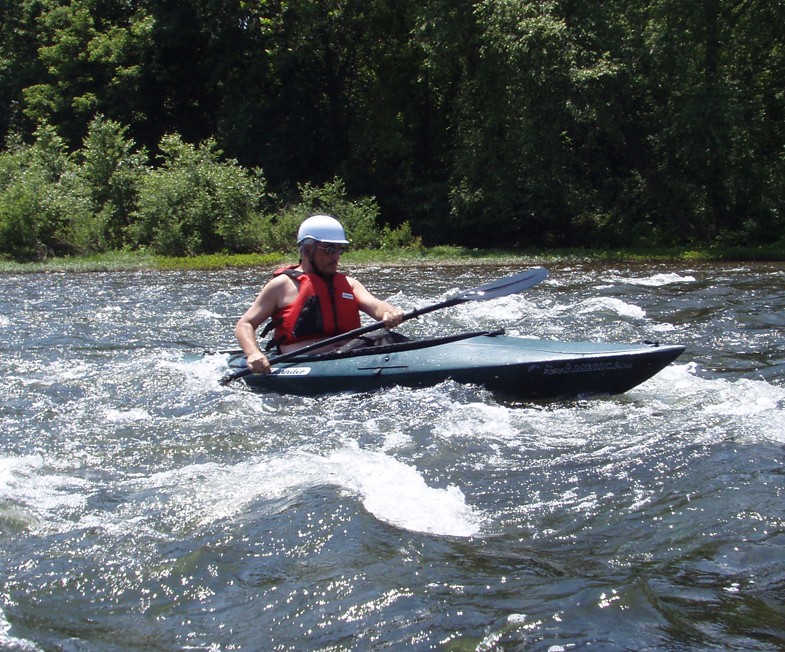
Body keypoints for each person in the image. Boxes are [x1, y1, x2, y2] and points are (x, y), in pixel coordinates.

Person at [234, 215, 405, 374]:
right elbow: (245, 324)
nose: (337, 256)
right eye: (330, 249)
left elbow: (376, 306)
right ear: (308, 249)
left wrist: (389, 312)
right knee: (382, 337)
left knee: (387, 336)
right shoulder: (281, 286)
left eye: (340, 249)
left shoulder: (350, 284)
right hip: (302, 361)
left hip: (350, 355)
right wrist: (253, 353)